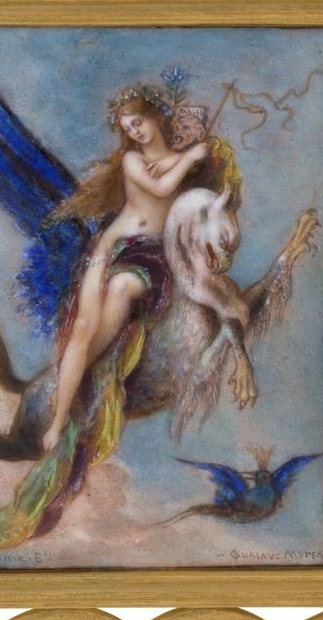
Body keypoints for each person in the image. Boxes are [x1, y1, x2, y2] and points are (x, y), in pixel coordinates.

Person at [41, 85, 208, 452]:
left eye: (138, 122)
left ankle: (76, 382)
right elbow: (161, 189)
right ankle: (58, 418)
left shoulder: (181, 160)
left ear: (156, 117)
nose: (135, 132)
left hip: (151, 255)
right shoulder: (133, 160)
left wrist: (189, 156)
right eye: (128, 128)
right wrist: (188, 158)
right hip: (111, 246)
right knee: (83, 327)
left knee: (121, 289)